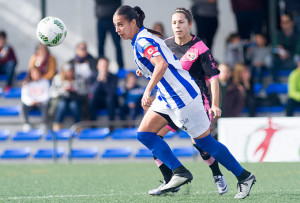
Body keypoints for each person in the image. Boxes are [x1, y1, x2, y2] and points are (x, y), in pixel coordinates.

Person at [113, 5, 256, 199]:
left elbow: (161, 64)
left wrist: (147, 90)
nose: (117, 30)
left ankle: (244, 176)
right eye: (115, 26)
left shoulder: (143, 40)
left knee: (206, 143)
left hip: (183, 97)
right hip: (167, 97)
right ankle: (178, 174)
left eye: (120, 25)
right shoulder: (142, 37)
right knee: (145, 135)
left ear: (132, 22)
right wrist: (145, 71)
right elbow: (165, 59)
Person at [148, 8, 227, 196]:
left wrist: (215, 104)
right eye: (174, 22)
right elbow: (158, 67)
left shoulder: (200, 48)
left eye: (181, 22)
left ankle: (217, 174)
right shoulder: (165, 45)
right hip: (172, 103)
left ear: (189, 24)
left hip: (197, 103)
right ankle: (170, 181)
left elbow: (214, 78)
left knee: (201, 145)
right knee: (153, 138)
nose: (177, 26)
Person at [49, 63, 87, 131]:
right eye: (67, 71)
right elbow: (52, 93)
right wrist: (63, 90)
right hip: (61, 99)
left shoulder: (79, 78)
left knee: (74, 105)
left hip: (76, 99)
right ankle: (57, 129)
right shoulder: (57, 78)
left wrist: (75, 89)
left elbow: (85, 91)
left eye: (71, 71)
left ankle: (78, 128)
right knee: (61, 105)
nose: (69, 73)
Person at [271, 14, 300, 82]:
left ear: (292, 23)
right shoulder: (278, 34)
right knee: (268, 60)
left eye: (286, 22)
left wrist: (289, 54)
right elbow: (273, 49)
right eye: (282, 23)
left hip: (293, 58)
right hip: (280, 58)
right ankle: (276, 81)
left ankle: (296, 80)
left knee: (297, 58)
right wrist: (278, 51)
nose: (284, 25)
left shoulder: (297, 35)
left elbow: (298, 50)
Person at [95, 0, 124, 69]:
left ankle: (121, 67)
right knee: (100, 44)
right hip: (101, 18)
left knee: (117, 44)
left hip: (113, 19)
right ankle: (100, 67)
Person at [89, 57, 118, 123]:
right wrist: (98, 80)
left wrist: (105, 81)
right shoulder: (92, 76)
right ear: (97, 66)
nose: (104, 67)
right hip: (97, 102)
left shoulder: (113, 77)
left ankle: (111, 124)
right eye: (102, 65)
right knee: (92, 99)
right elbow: (92, 92)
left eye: (105, 65)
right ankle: (92, 124)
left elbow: (111, 93)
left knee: (110, 99)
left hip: (109, 102)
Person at [21, 67, 50, 132]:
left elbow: (46, 95)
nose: (36, 75)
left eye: (37, 73)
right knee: (23, 105)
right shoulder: (26, 83)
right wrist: (31, 101)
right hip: (30, 103)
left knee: (46, 104)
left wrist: (38, 101)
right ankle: (26, 123)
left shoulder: (45, 82)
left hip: (41, 103)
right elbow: (24, 97)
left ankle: (44, 123)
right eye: (33, 73)